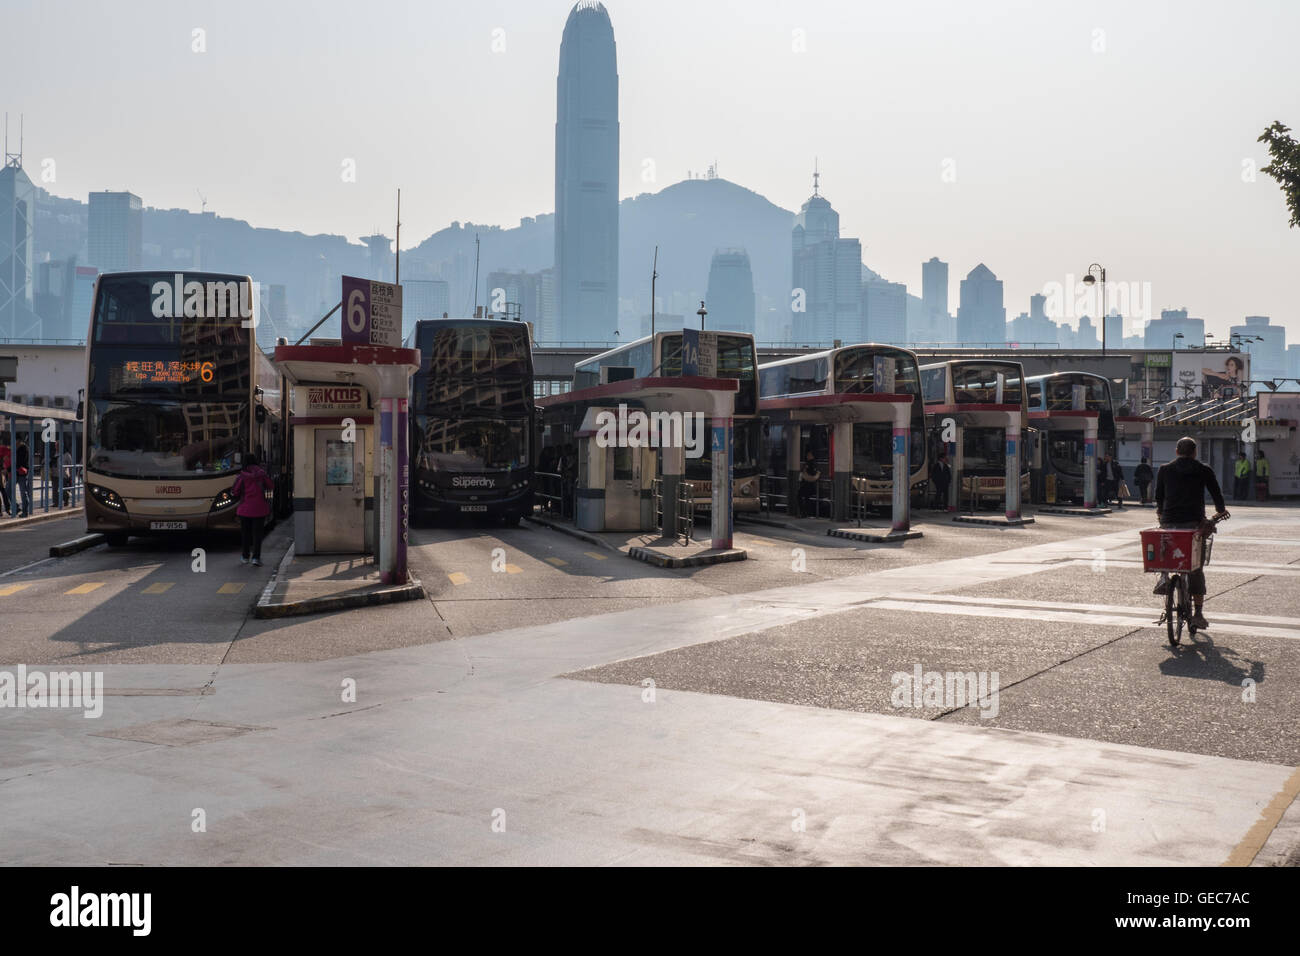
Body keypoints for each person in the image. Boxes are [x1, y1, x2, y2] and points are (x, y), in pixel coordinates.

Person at [1153, 437, 1228, 631]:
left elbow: (1158, 497)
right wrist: (1220, 511)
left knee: (1166, 547)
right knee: (1195, 568)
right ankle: (1198, 614)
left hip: (1169, 522)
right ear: (1195, 453)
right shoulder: (1204, 470)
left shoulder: (1164, 470)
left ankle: (1163, 577)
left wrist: (1162, 515)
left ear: (1177, 451)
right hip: (1194, 525)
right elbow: (1217, 495)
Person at [231, 453, 274, 566]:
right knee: (257, 534)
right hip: (260, 509)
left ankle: (245, 557)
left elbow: (235, 491)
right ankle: (256, 558)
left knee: (246, 534)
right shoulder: (262, 474)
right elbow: (270, 486)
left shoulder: (241, 476)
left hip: (245, 509)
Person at [798, 450, 820, 517]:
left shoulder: (811, 463)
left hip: (808, 484)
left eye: (809, 455)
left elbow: (811, 473)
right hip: (808, 484)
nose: (807, 456)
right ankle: (805, 513)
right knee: (806, 498)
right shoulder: (810, 463)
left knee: (799, 496)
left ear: (812, 456)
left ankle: (804, 512)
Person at [13, 437, 32, 518]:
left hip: (21, 473)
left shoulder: (23, 448)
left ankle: (25, 511)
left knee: (23, 493)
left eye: (15, 441)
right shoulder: (18, 448)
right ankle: (17, 507)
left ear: (18, 441)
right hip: (16, 473)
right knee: (8, 489)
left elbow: (20, 461)